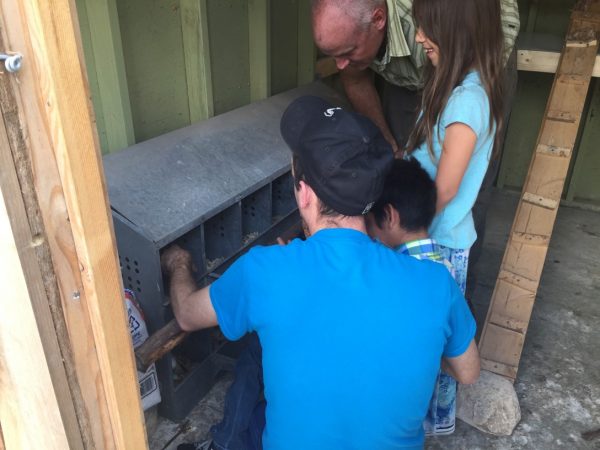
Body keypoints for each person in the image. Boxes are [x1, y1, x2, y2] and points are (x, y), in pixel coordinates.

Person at [166, 95, 479, 449]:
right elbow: (468, 372)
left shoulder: (264, 270)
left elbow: (187, 314)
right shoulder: (436, 284)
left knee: (257, 355)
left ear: (303, 194)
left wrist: (178, 264)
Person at [311, 0, 520, 297]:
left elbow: (445, 189)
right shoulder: (454, 88)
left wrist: (402, 230)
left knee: (430, 307)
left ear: (456, 33)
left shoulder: (467, 102)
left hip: (438, 238)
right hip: (426, 230)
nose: (419, 37)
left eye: (427, 29)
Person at [365, 157, 458, 435]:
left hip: (387, 401)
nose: (368, 231)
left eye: (370, 222)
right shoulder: (446, 268)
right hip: (422, 394)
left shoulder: (393, 272)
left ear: (390, 216)